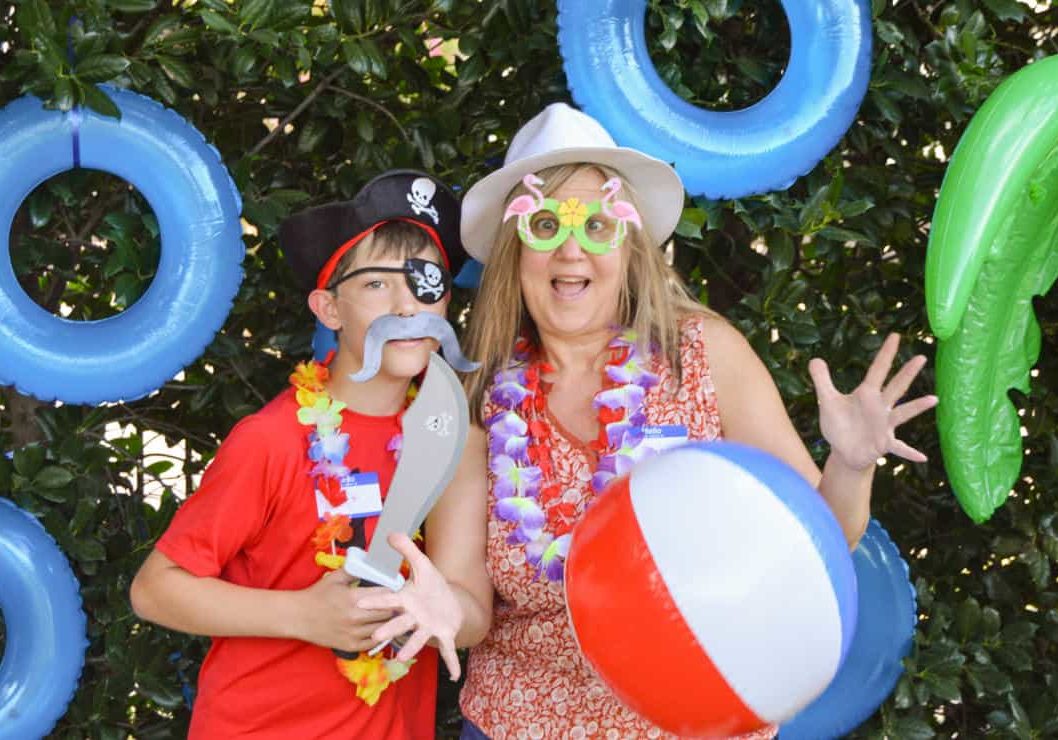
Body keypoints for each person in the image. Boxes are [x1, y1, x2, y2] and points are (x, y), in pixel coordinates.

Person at [357, 104, 939, 739]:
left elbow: (825, 539)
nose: (571, 251)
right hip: (521, 724)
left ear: (629, 248)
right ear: (512, 252)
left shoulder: (702, 353)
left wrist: (851, 466)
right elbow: (469, 600)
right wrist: (444, 609)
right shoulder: (475, 402)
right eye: (545, 225)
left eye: (597, 226)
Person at [129, 170, 471, 739]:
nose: (408, 304)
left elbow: (469, 606)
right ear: (329, 309)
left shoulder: (448, 435)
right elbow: (155, 589)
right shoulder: (271, 439)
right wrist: (302, 616)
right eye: (377, 285)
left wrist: (446, 611)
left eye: (425, 281)